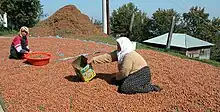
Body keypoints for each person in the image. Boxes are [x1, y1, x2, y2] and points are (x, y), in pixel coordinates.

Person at [88, 37, 161, 94]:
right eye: (117, 45)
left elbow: (124, 72)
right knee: (115, 81)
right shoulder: (120, 53)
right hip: (132, 73)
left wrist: (116, 77)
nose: (117, 47)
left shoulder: (128, 56)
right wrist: (93, 60)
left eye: (119, 45)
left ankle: (150, 87)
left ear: (124, 46)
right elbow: (108, 57)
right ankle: (141, 84)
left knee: (124, 88)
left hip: (142, 73)